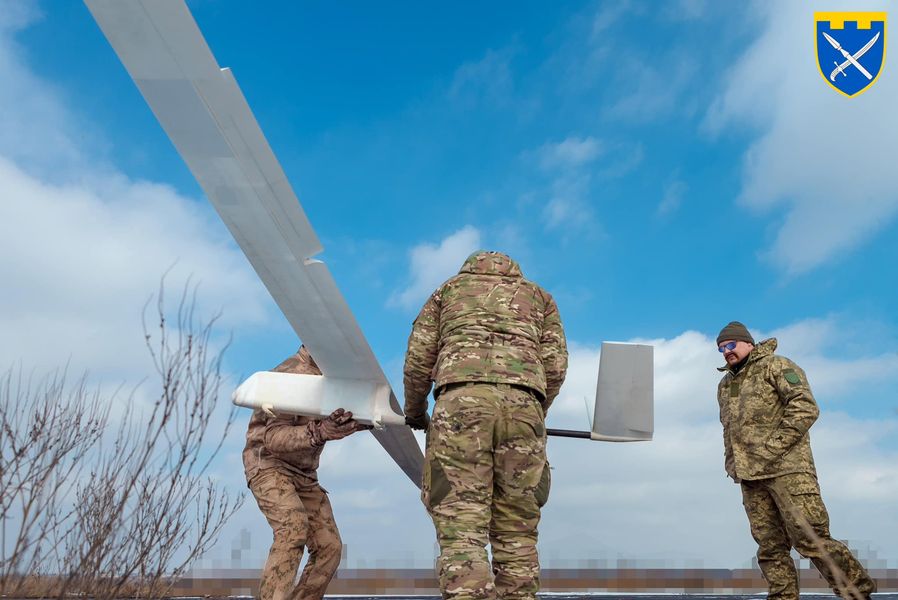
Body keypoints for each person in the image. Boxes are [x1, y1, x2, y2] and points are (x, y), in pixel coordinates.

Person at [403, 250, 568, 600]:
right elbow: (555, 366)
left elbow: (419, 360)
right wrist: (535, 410)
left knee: (462, 525)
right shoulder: (540, 297)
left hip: (460, 405)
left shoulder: (446, 291)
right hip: (525, 407)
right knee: (518, 529)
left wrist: (416, 412)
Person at [715, 321, 876, 600]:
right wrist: (732, 464)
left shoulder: (776, 366)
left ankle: (856, 593)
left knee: (810, 538)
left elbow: (804, 407)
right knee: (769, 545)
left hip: (788, 470)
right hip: (751, 477)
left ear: (749, 344)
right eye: (720, 348)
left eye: (730, 345)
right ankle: (783, 596)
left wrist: (771, 448)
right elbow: (730, 429)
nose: (726, 351)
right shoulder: (726, 384)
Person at [243, 346, 368, 600]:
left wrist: (362, 419)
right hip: (269, 465)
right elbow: (273, 438)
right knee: (292, 526)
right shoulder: (291, 375)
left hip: (305, 474)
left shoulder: (334, 379)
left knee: (329, 547)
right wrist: (320, 433)